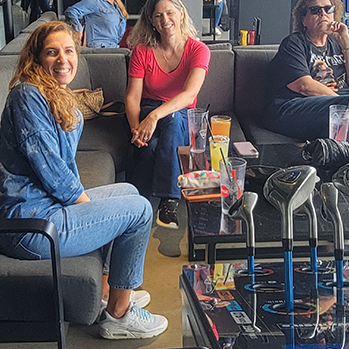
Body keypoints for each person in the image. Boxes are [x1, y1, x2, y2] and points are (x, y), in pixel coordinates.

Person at [0, 21, 168, 340]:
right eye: (52, 53)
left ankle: (109, 292)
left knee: (128, 191)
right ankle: (119, 315)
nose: (64, 59)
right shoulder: (27, 95)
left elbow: (63, 164)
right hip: (31, 226)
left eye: (69, 51)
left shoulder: (53, 94)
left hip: (45, 210)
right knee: (140, 211)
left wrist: (88, 207)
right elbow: (51, 169)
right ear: (36, 58)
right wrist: (84, 204)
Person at [125, 0, 211, 229]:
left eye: (170, 13)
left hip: (182, 112)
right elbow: (133, 97)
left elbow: (189, 94)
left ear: (181, 13)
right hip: (148, 107)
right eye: (158, 15)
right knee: (149, 142)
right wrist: (136, 129)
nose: (165, 20)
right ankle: (169, 202)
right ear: (151, 21)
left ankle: (146, 199)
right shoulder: (142, 50)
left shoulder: (198, 50)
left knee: (168, 127)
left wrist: (154, 117)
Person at [262, 0, 349, 141]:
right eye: (315, 10)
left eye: (328, 9)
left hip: (334, 111)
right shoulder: (294, 43)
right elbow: (304, 86)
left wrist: (346, 44)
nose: (323, 14)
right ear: (304, 20)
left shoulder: (338, 45)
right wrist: (343, 107)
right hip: (292, 107)